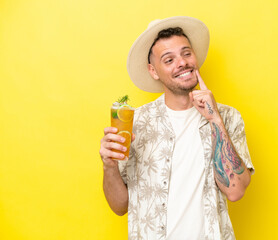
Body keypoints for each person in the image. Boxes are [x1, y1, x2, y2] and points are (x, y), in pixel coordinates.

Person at [99, 16, 255, 240]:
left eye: (186, 53)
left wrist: (215, 120)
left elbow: (235, 191)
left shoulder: (228, 117)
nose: (182, 63)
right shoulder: (137, 122)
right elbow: (119, 206)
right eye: (169, 59)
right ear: (153, 71)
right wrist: (109, 166)